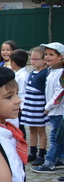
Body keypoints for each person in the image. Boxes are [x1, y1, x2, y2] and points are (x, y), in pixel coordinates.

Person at [32, 42, 64, 173]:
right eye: (46, 54)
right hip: (54, 111)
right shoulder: (52, 70)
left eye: (51, 54)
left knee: (55, 138)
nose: (47, 57)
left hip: (58, 111)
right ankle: (61, 158)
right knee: (59, 138)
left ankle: (49, 162)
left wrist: (48, 106)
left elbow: (60, 93)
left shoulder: (61, 72)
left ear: (61, 57)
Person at [22, 47, 49, 166]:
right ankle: (33, 151)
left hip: (39, 106)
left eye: (36, 59)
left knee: (40, 130)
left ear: (44, 60)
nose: (33, 61)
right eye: (31, 59)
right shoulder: (32, 72)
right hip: (30, 105)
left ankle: (41, 154)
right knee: (32, 129)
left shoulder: (45, 74)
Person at [9, 49, 29, 139]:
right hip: (17, 103)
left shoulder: (23, 76)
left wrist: (21, 106)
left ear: (13, 62)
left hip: (20, 105)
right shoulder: (17, 74)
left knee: (20, 126)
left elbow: (22, 93)